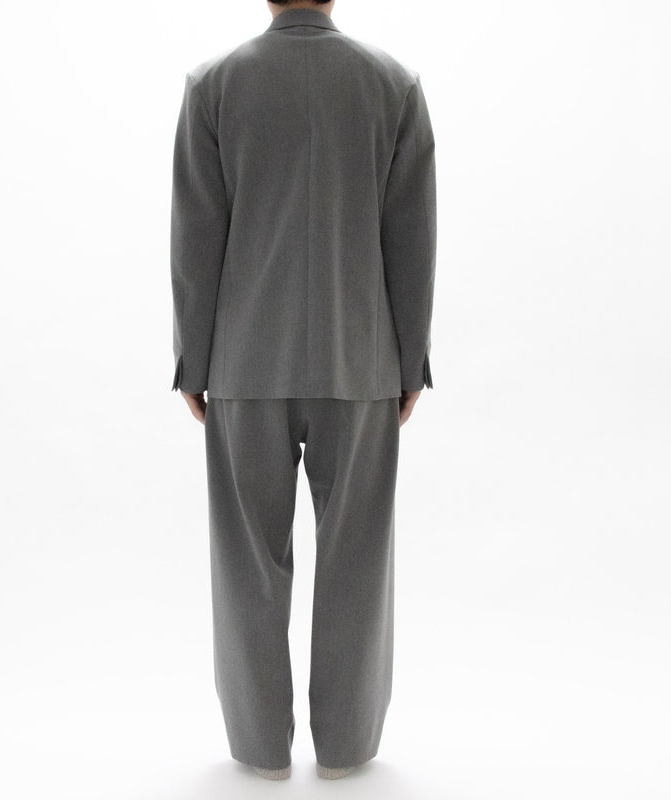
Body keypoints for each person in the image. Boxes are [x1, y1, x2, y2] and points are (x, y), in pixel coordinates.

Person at [169, 0, 436, 781]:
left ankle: (260, 751)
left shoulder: (214, 87)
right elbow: (412, 235)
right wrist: (409, 361)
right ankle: (347, 750)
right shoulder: (393, 85)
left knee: (247, 558)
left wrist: (194, 361)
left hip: (245, 363)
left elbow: (196, 235)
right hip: (361, 361)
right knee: (358, 556)